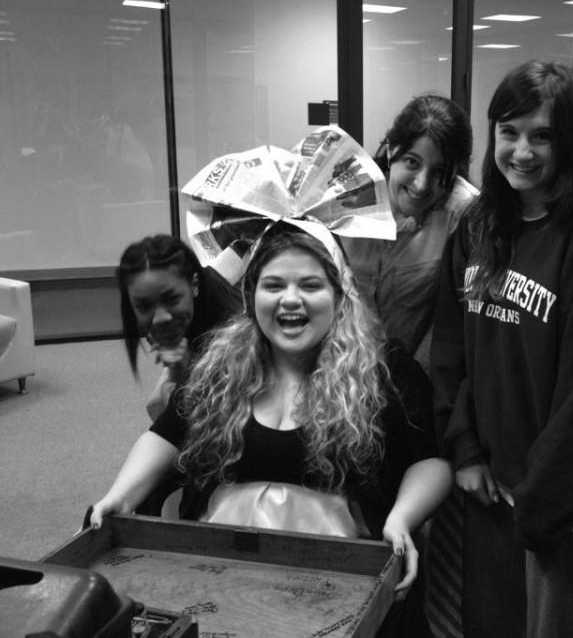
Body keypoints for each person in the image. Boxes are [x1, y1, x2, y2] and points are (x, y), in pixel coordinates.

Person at [94, 223, 453, 635]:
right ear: (251, 296)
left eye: (310, 285)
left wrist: (402, 518)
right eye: (274, 285)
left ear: (339, 294)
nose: (291, 299)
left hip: (339, 587)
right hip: (225, 574)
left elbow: (430, 461)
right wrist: (119, 496)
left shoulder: (386, 370)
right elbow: (166, 434)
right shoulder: (220, 367)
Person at [430, 60, 573, 638]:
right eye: (510, 132)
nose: (522, 151)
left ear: (569, 141)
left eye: (542, 135)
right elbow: (451, 351)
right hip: (490, 484)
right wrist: (465, 451)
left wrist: (539, 504)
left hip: (559, 503)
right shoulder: (478, 224)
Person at [340, 94, 477, 366]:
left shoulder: (462, 214)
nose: (422, 184)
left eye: (439, 172)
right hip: (340, 371)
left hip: (412, 382)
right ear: (392, 150)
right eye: (412, 162)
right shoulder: (346, 196)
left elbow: (452, 323)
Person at [116, 234, 241, 420]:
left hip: (245, 375)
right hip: (200, 355)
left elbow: (219, 424)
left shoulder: (235, 333)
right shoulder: (168, 317)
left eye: (171, 300)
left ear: (195, 285)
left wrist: (183, 375)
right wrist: (179, 372)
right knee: (160, 405)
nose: (160, 318)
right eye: (144, 306)